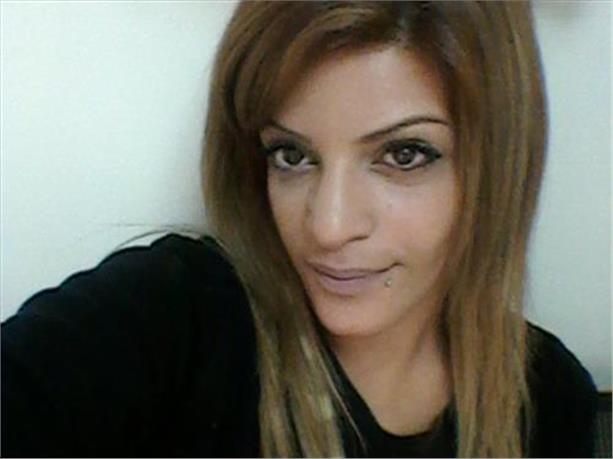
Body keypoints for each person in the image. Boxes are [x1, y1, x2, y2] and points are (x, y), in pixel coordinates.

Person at [1, 1, 598, 457]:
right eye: (291, 155)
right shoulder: (177, 320)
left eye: (404, 155)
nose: (329, 227)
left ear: (497, 166)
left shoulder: (548, 399)